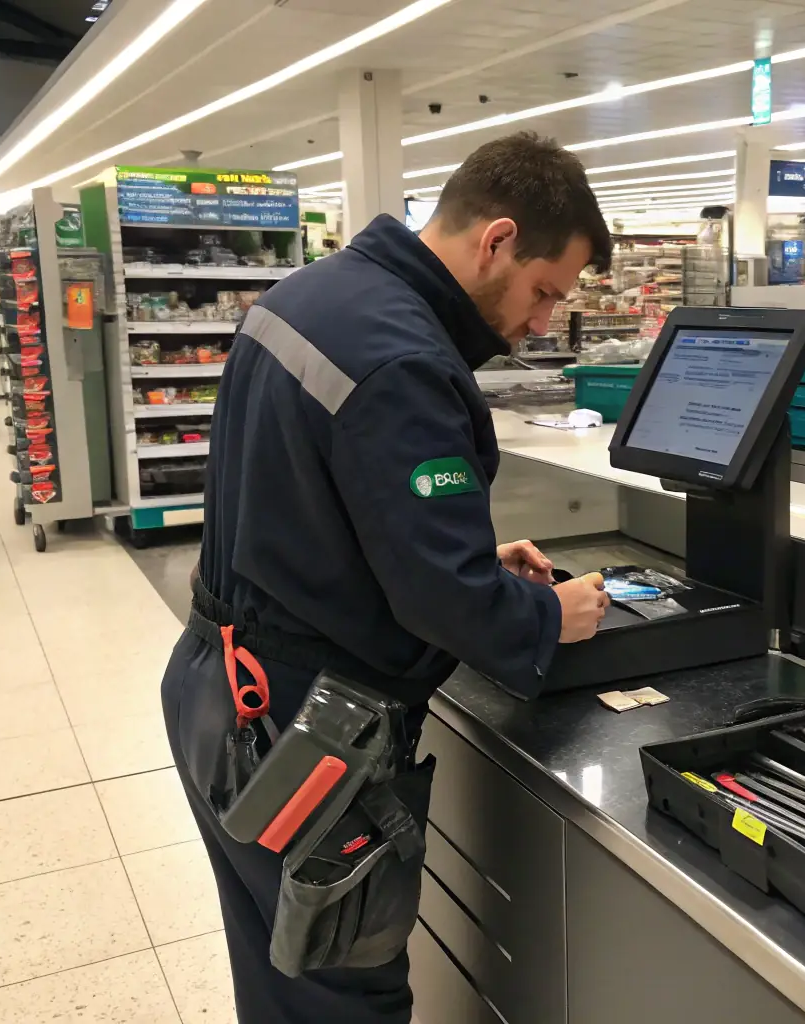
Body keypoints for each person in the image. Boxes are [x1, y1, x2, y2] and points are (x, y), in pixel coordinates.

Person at [161, 131, 613, 1024]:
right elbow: (439, 599)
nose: (540, 323)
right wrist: (542, 611)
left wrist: (470, 556)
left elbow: (312, 503)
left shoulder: (311, 294)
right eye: (543, 291)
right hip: (299, 725)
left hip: (216, 685)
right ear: (496, 239)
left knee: (282, 968)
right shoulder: (404, 356)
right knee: (344, 987)